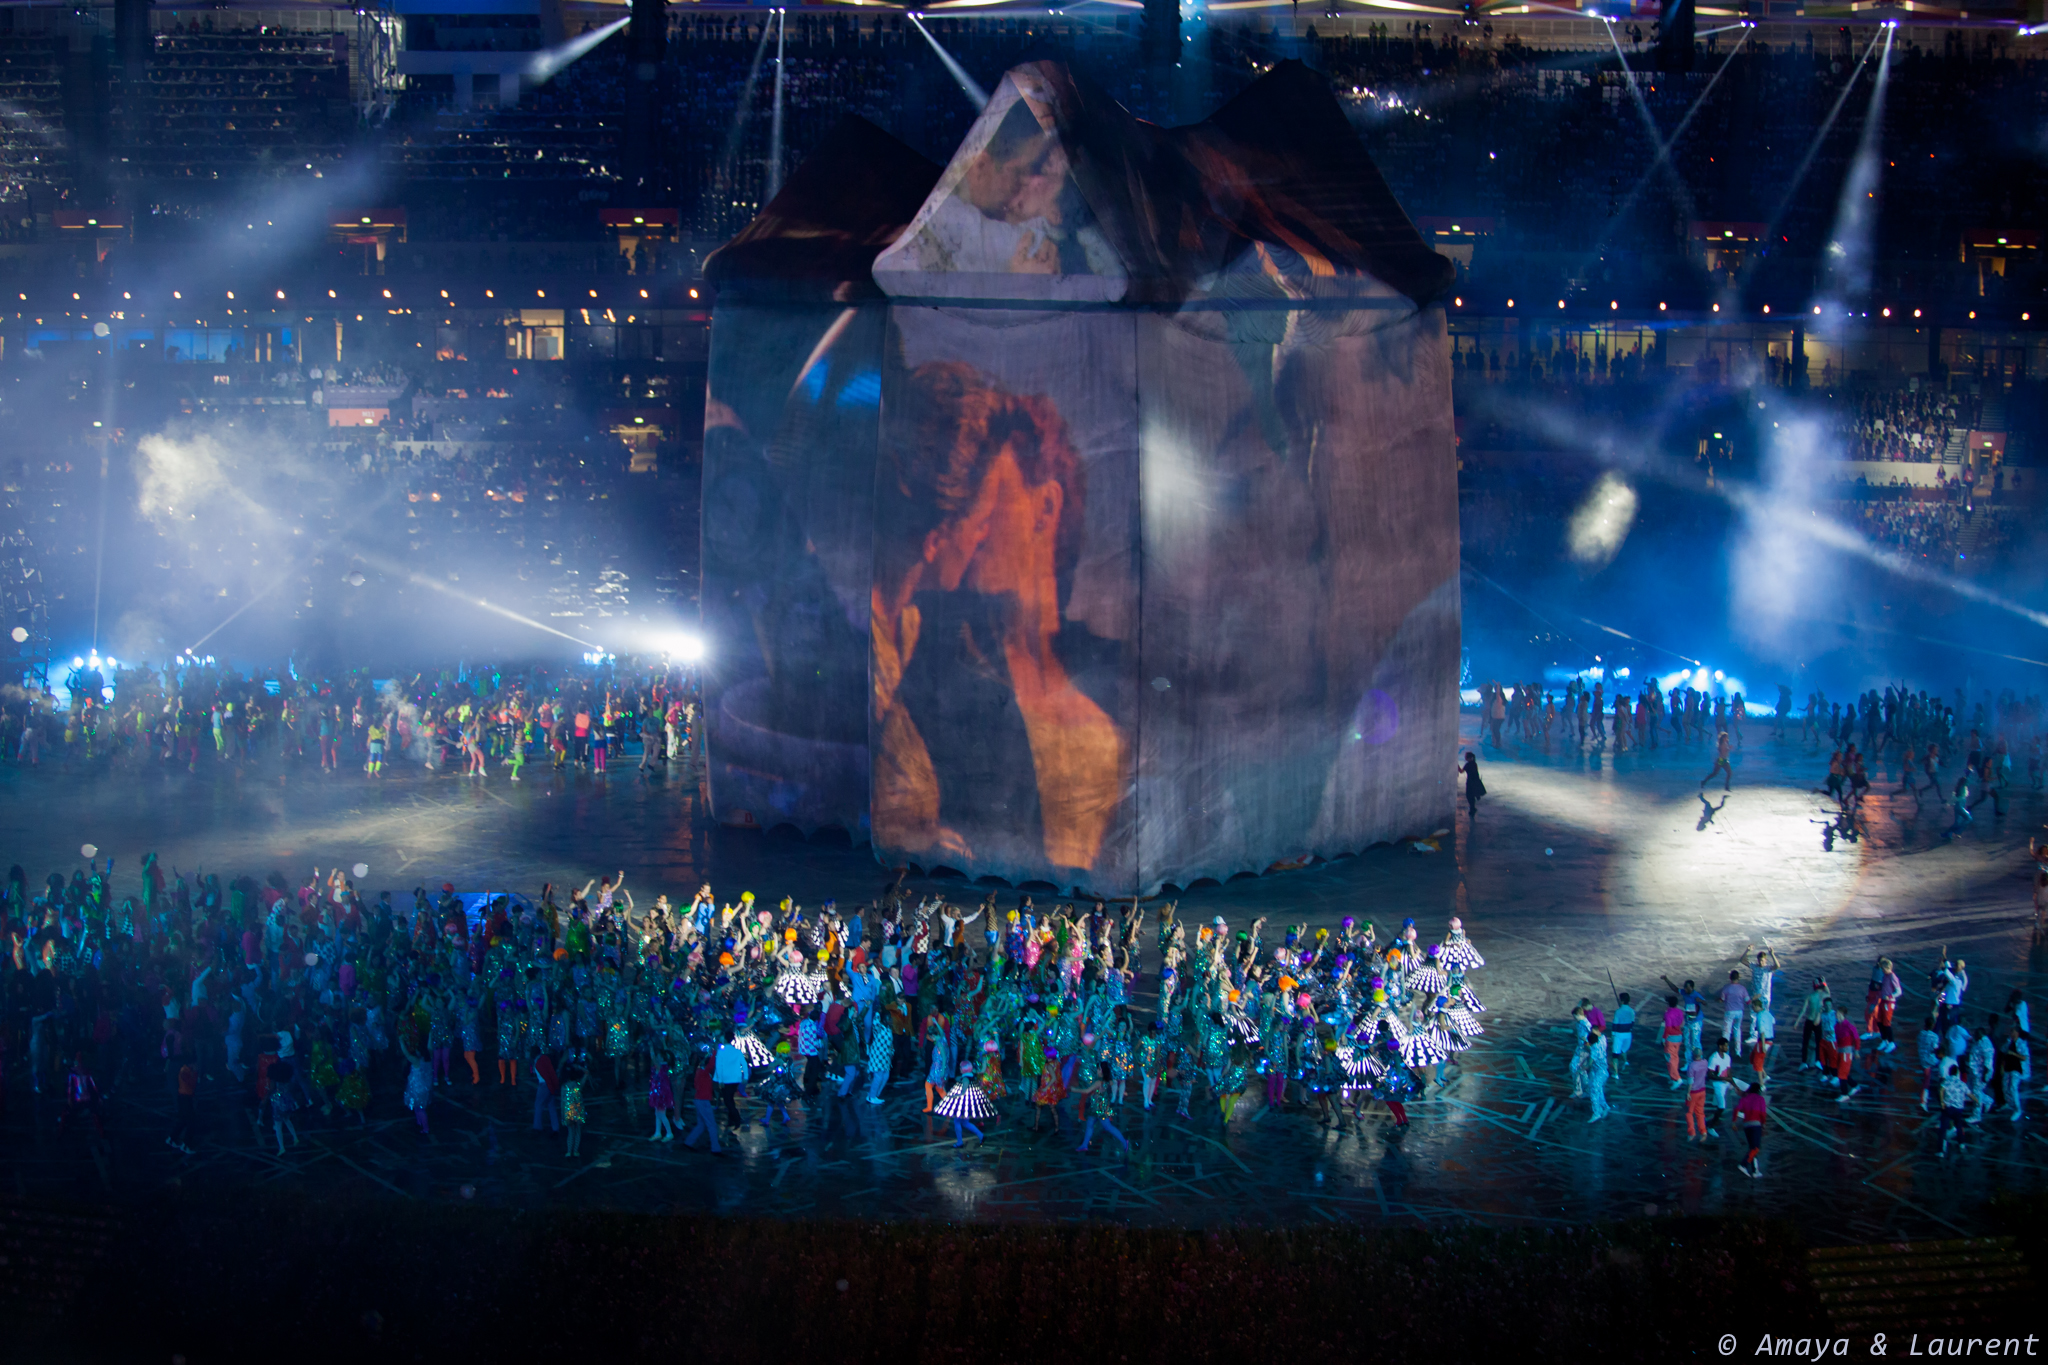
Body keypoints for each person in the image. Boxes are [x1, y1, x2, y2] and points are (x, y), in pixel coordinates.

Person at [680, 1051, 724, 1155]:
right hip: (703, 1101)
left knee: (701, 1125)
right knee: (712, 1125)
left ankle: (688, 1142)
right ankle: (715, 1149)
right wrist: (715, 1052)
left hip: (699, 1100)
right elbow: (711, 1064)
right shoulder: (704, 1072)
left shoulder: (699, 1072)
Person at [1734, 1077, 1767, 1177]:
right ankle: (1743, 1165)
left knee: (1752, 1148)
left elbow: (1737, 1109)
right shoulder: (1760, 1099)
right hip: (1756, 1125)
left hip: (1747, 1125)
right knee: (1755, 1148)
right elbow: (1763, 1114)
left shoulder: (1745, 1099)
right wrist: (1763, 1125)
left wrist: (1733, 1122)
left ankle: (1755, 1171)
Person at [1609, 992, 1635, 1073]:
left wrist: (1613, 1035)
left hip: (1618, 1035)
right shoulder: (1632, 1011)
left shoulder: (1618, 1011)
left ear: (1622, 1001)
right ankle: (1625, 1062)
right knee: (1624, 1050)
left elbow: (1615, 1024)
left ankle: (1616, 1073)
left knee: (1615, 1055)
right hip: (1628, 1034)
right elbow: (1632, 1023)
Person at [1460, 751, 1485, 818]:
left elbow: (1461, 771)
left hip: (1470, 782)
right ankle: (1472, 808)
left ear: (1469, 758)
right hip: (1475, 782)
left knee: (1469, 796)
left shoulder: (1468, 765)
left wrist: (1456, 766)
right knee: (1472, 796)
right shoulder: (1474, 764)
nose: (1465, 758)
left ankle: (1472, 808)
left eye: (1466, 757)